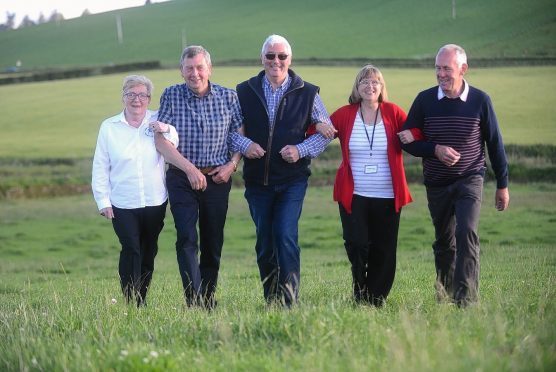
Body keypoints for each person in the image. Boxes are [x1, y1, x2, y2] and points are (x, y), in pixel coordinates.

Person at [399, 44, 510, 307]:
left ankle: (466, 300)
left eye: (446, 68)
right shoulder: (424, 100)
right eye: (437, 68)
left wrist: (502, 185)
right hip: (437, 182)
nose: (440, 74)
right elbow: (406, 140)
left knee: (467, 232)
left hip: (470, 177)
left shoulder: (480, 101)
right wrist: (434, 149)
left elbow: (494, 144)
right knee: (444, 241)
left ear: (463, 69)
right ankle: (445, 295)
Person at [231, 34, 333, 306]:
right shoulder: (244, 90)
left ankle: (289, 302)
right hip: (257, 182)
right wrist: (246, 143)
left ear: (290, 59)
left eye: (282, 56)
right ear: (262, 58)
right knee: (265, 243)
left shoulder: (308, 91)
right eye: (270, 56)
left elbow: (326, 131)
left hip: (292, 181)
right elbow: (230, 131)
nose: (276, 61)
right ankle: (271, 299)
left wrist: (301, 149)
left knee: (285, 236)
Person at [154, 45, 242, 309]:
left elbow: (239, 134)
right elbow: (161, 141)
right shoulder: (171, 95)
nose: (195, 73)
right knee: (187, 238)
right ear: (181, 71)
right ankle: (193, 300)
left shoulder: (229, 97)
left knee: (213, 241)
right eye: (189, 68)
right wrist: (190, 169)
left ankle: (208, 297)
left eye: (200, 67)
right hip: (182, 177)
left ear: (209, 69)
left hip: (217, 178)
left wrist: (232, 165)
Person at [326, 65, 419, 307]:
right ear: (357, 88)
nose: (370, 86)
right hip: (354, 193)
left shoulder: (393, 113)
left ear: (381, 87)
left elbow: (417, 131)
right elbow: (318, 127)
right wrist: (319, 127)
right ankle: (359, 288)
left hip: (388, 194)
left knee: (384, 248)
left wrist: (413, 135)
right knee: (356, 243)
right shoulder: (346, 114)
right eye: (364, 82)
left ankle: (375, 299)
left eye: (375, 82)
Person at [92, 75, 178, 306]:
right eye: (131, 94)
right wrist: (103, 201)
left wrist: (166, 128)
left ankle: (142, 295)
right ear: (123, 97)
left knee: (148, 250)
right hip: (122, 203)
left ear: (149, 98)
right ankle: (132, 299)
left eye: (141, 95)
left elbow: (175, 140)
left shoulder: (158, 119)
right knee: (131, 248)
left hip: (155, 200)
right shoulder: (109, 127)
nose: (136, 99)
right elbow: (100, 165)